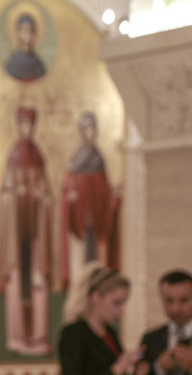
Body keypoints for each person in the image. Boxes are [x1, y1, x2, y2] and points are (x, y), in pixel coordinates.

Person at [0, 106, 52, 355]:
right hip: (17, 236)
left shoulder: (38, 157)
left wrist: (41, 197)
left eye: (30, 124)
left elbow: (48, 194)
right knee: (18, 281)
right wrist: (15, 196)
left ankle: (39, 336)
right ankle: (17, 336)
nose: (27, 129)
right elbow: (4, 195)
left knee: (37, 282)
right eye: (23, 124)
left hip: (35, 237)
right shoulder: (13, 158)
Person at [59, 262, 147, 375]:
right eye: (116, 303)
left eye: (123, 303)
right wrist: (117, 369)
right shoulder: (73, 333)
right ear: (96, 297)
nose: (121, 310)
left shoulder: (111, 333)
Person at [61, 111, 121, 290]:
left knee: (97, 258)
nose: (90, 133)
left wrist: (113, 195)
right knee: (80, 260)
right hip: (80, 218)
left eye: (93, 129)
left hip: (97, 217)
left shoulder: (99, 158)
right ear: (81, 131)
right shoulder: (76, 158)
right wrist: (70, 196)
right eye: (87, 129)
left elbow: (104, 188)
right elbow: (67, 188)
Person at [136, 270, 192, 375]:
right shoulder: (150, 338)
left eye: (184, 300)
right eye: (169, 301)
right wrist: (159, 368)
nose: (176, 309)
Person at [5, 13, 47, 82]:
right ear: (18, 33)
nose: (28, 34)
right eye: (24, 30)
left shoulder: (38, 63)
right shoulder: (12, 62)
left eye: (30, 30)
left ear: (34, 34)